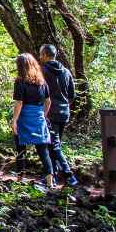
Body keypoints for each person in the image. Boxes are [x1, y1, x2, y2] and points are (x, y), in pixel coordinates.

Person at [11, 52, 60, 187]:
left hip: (24, 117)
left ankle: (20, 179)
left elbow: (19, 103)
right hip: (38, 118)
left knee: (21, 149)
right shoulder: (42, 82)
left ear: (20, 66)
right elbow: (48, 101)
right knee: (43, 151)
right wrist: (43, 115)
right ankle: (50, 181)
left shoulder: (20, 82)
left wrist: (14, 120)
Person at [39, 43, 80, 188]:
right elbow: (71, 95)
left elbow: (39, 94)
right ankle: (52, 176)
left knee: (54, 146)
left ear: (44, 55)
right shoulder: (66, 72)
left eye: (41, 54)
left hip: (50, 113)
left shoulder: (42, 71)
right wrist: (64, 105)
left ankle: (69, 175)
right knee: (53, 145)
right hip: (64, 113)